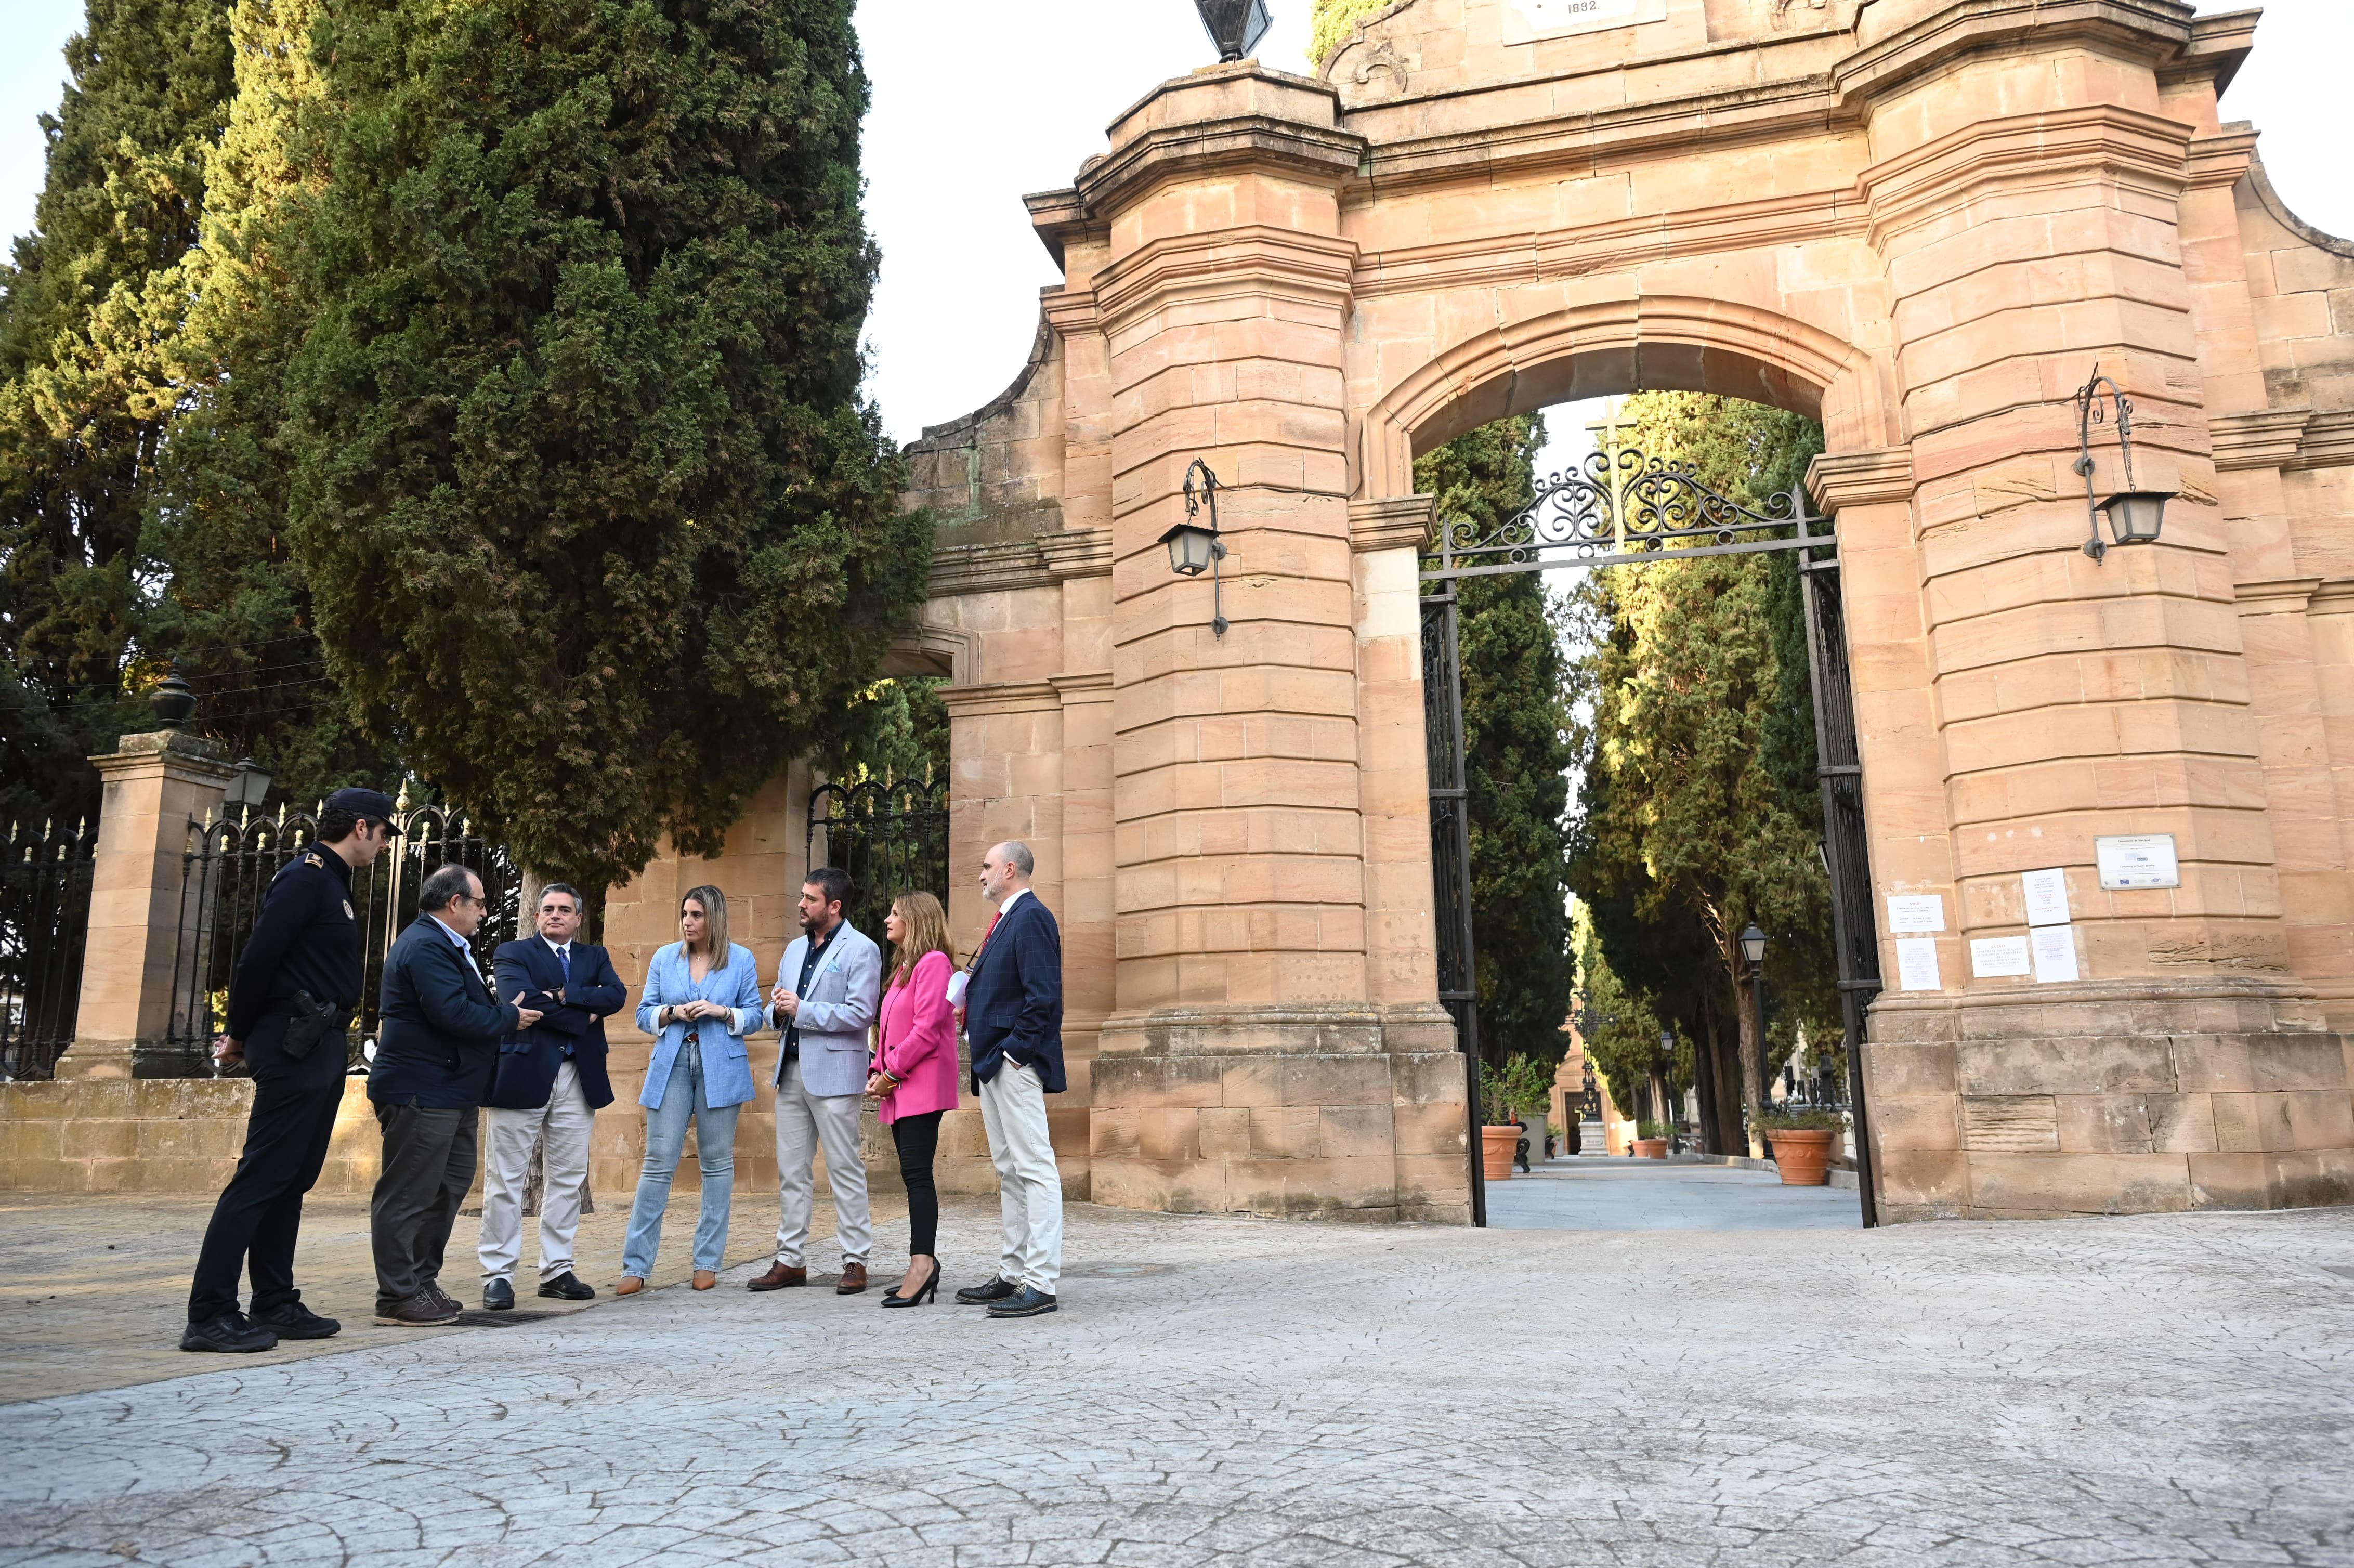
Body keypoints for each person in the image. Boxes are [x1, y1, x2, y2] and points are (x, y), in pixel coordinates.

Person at [181, 788, 401, 1353]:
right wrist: (241, 1033)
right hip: (293, 1041)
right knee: (261, 1178)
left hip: (320, 1042)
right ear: (361, 827)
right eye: (383, 833)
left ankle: (275, 1300)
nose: (383, 846)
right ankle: (210, 1313)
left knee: (292, 1177)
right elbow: (258, 958)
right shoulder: (306, 878)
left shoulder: (331, 882)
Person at [369, 864, 536, 1327]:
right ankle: (397, 1294)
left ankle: (421, 1282)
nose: (484, 912)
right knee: (408, 1192)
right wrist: (508, 1018)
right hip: (422, 1091)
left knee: (448, 1185)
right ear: (454, 903)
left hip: (452, 1090)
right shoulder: (425, 945)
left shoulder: (444, 944)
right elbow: (452, 1014)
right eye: (480, 903)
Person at [476, 882, 625, 1310]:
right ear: (538, 916)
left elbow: (616, 996)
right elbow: (516, 1001)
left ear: (579, 917)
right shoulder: (513, 953)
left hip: (580, 1077)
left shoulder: (594, 956)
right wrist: (584, 1010)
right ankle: (498, 1274)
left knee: (567, 1177)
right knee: (506, 1178)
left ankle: (557, 1270)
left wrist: (560, 997)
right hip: (524, 1072)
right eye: (547, 909)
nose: (555, 915)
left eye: (564, 909)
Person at [620, 885, 763, 1294]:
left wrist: (723, 1012)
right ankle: (636, 1265)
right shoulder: (665, 957)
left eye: (697, 914)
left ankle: (707, 1262)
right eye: (685, 913)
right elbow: (643, 1014)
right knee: (657, 1162)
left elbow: (755, 1017)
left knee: (717, 1164)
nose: (688, 921)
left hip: (722, 1067)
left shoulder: (741, 960)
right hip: (672, 1066)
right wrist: (671, 1012)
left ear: (714, 918)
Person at [747, 867, 881, 1296]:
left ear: (834, 906)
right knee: (791, 1172)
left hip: (836, 1075)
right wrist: (778, 1011)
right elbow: (775, 1009)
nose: (801, 905)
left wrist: (802, 1009)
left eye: (810, 899)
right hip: (789, 1072)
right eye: (802, 897)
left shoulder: (862, 950)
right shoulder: (791, 951)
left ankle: (856, 1259)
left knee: (844, 1168)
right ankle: (790, 1260)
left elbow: (861, 1014)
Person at [953, 841, 1066, 1320]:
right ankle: (1013, 1272)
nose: (981, 876)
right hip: (993, 1063)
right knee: (1009, 1169)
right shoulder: (1006, 919)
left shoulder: (1032, 917)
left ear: (1010, 869)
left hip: (1012, 1064)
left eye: (987, 867)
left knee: (1034, 1167)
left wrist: (1015, 1054)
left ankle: (1040, 1282)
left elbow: (1044, 997)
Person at [869, 892, 958, 1308]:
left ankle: (922, 1265)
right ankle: (923, 1263)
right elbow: (889, 1030)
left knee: (918, 1175)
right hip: (901, 1085)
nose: (887, 919)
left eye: (895, 913)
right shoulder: (904, 968)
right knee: (911, 1175)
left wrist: (889, 1074)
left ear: (916, 920)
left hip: (920, 1086)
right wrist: (878, 1073)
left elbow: (925, 1031)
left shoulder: (934, 963)